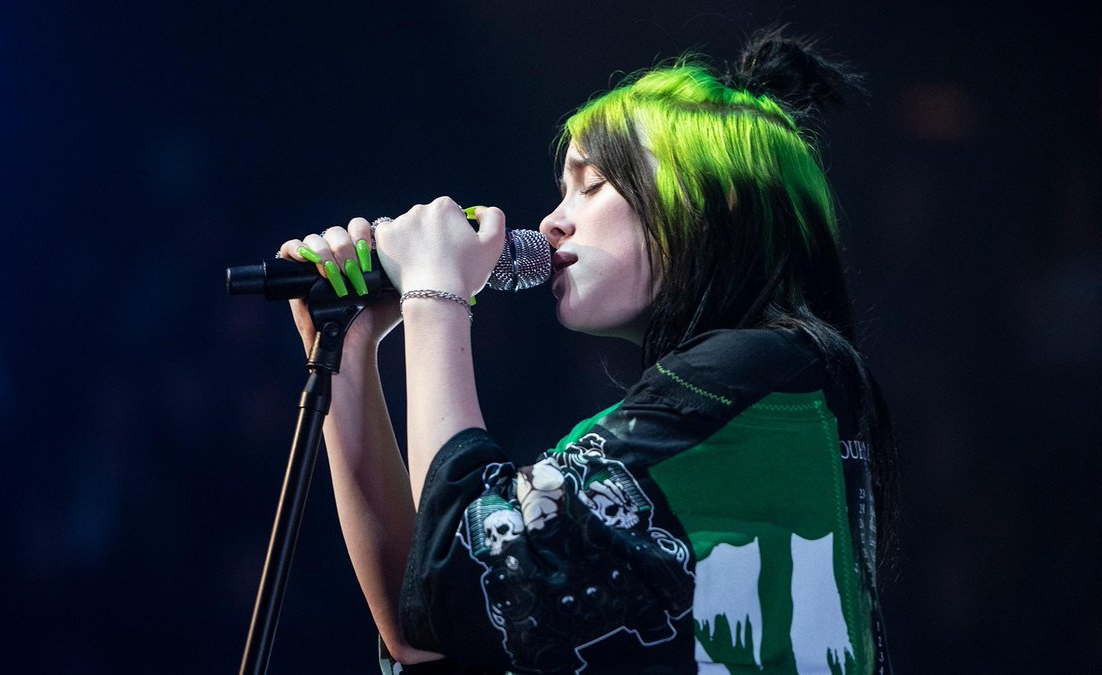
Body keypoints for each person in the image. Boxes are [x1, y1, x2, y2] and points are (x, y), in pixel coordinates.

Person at [278, 27, 895, 675]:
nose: (551, 222)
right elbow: (430, 631)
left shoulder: (754, 383)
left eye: (592, 184)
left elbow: (465, 578)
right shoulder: (760, 389)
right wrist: (346, 352)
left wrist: (436, 293)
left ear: (712, 202)